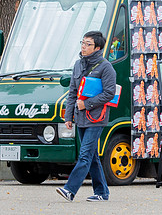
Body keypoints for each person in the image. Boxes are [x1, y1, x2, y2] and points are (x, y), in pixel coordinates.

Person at [56, 31, 117, 202]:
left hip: (97, 118)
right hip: (80, 118)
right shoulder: (77, 65)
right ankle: (102, 192)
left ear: (97, 47)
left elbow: (110, 93)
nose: (83, 46)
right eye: (82, 43)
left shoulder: (106, 67)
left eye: (87, 44)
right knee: (92, 156)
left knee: (85, 155)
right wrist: (69, 116)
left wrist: (87, 104)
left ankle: (70, 189)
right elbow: (72, 93)